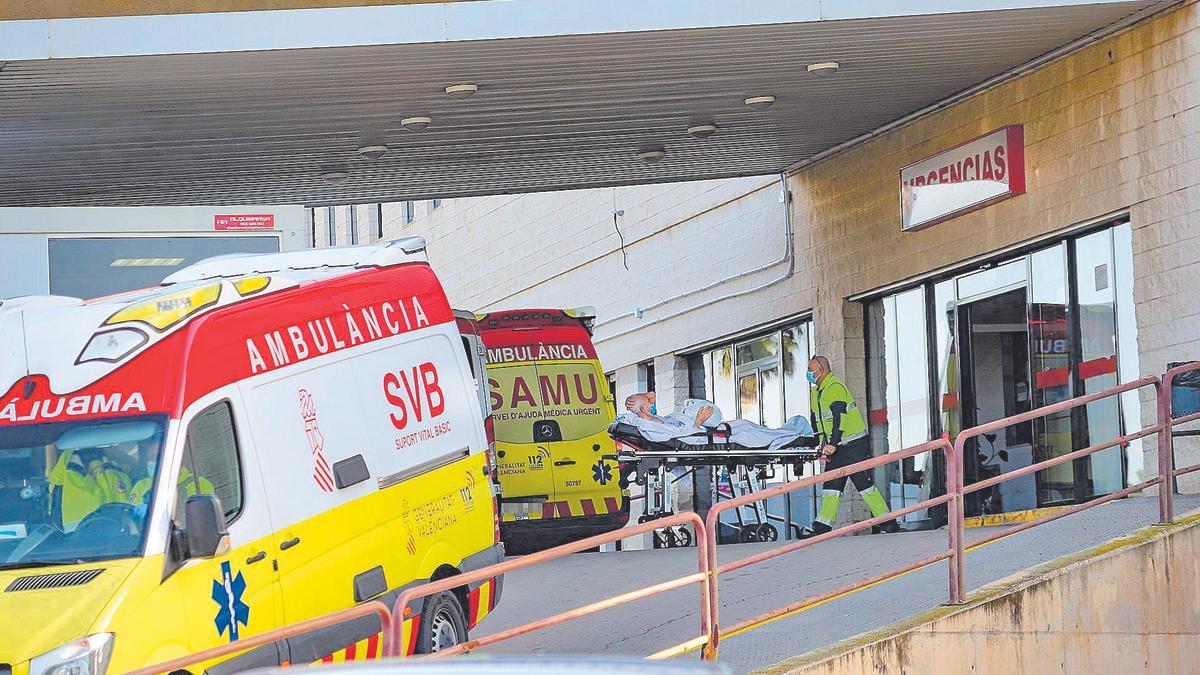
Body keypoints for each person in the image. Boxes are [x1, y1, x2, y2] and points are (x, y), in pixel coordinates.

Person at [799, 356, 899, 538]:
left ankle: (889, 523)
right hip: (838, 447)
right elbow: (819, 421)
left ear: (820, 370)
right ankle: (822, 528)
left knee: (864, 485)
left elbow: (840, 418)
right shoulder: (817, 392)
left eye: (810, 369)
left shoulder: (834, 387)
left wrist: (832, 443)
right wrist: (820, 442)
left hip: (853, 445)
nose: (808, 373)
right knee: (831, 487)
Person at [47, 448, 133, 529]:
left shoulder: (69, 464)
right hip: (122, 535)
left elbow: (55, 487)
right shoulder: (117, 472)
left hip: (76, 537)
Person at [625, 393, 714, 429]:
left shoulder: (651, 419)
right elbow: (687, 437)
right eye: (649, 401)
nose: (652, 403)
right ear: (643, 409)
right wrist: (699, 419)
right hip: (696, 428)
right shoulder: (654, 425)